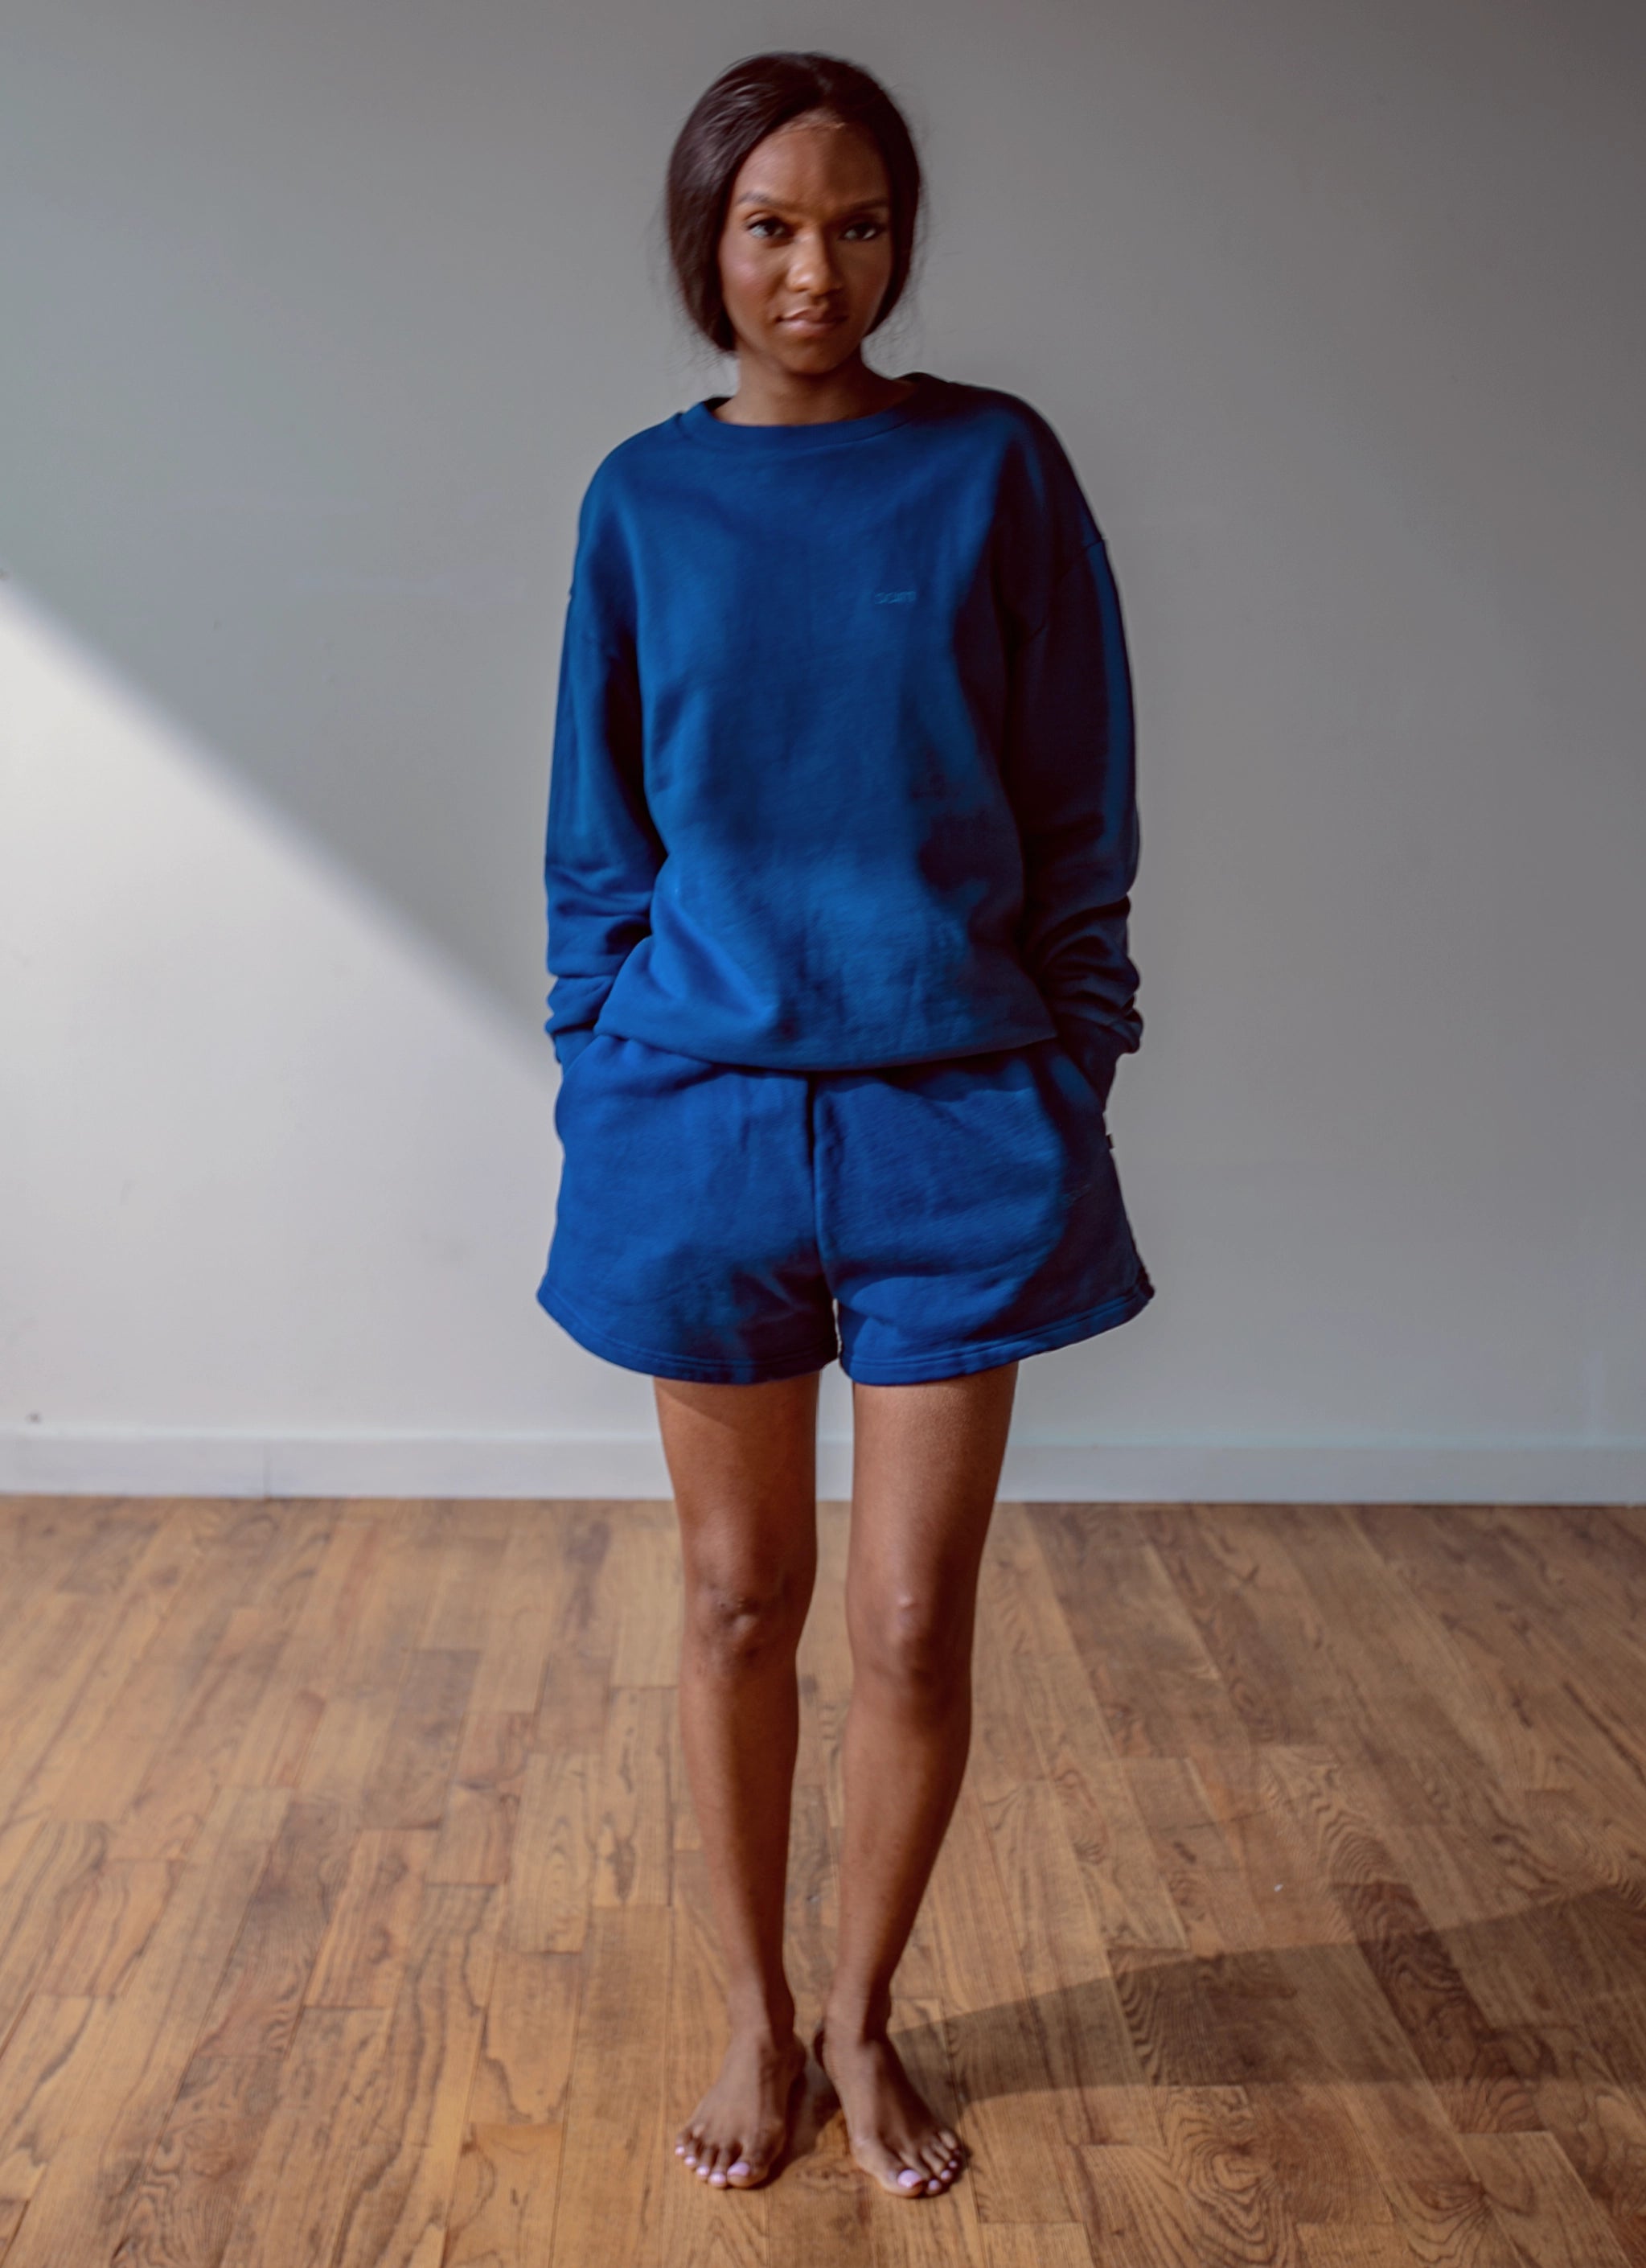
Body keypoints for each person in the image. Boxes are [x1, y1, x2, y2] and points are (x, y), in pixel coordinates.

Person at [536, 49, 1154, 2202]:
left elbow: (1079, 794)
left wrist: (1066, 1060)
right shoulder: (641, 500)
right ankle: (753, 2014)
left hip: (951, 1118)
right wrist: (602, 1073)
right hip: (696, 1119)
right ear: (706, 243)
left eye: (859, 224)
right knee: (736, 1601)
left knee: (906, 1623)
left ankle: (866, 2017)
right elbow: (597, 835)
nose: (816, 269)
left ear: (902, 240)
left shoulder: (991, 467)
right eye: (772, 226)